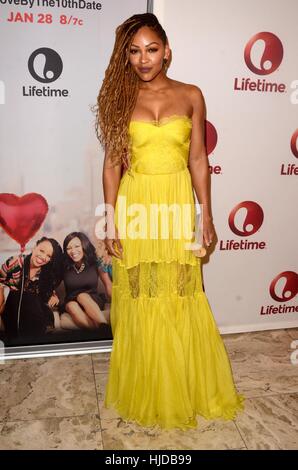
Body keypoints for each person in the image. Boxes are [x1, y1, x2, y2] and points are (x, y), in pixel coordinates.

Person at [93, 13, 244, 430]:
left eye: (152, 49)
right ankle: (149, 385)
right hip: (136, 203)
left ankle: (184, 385)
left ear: (167, 51)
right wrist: (110, 219)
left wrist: (206, 215)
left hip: (177, 204)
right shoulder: (119, 98)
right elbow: (111, 166)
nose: (144, 59)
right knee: (140, 294)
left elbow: (198, 159)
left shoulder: (191, 95)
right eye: (135, 51)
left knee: (182, 292)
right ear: (126, 55)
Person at [0, 237, 63, 340]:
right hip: (14, 308)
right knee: (23, 296)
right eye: (41, 251)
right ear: (34, 247)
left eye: (48, 256)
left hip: (36, 311)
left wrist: (53, 295)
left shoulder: (45, 272)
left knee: (32, 299)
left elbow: (46, 290)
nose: (43, 257)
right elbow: (0, 283)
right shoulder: (14, 263)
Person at [61, 232, 111, 329]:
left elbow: (108, 285)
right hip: (71, 300)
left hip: (92, 300)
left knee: (82, 296)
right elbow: (53, 281)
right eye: (69, 248)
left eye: (77, 246)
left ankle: (103, 325)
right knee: (71, 305)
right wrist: (52, 294)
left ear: (84, 245)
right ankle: (99, 332)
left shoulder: (95, 261)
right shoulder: (64, 265)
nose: (73, 251)